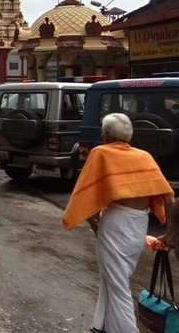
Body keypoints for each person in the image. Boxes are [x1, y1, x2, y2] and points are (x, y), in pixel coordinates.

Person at [63, 113, 174, 333]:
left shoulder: (101, 153)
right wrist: (168, 234)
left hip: (115, 222)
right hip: (139, 222)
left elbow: (87, 196)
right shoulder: (144, 157)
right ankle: (102, 324)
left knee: (117, 283)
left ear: (105, 134)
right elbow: (168, 195)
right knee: (113, 276)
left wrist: (96, 227)